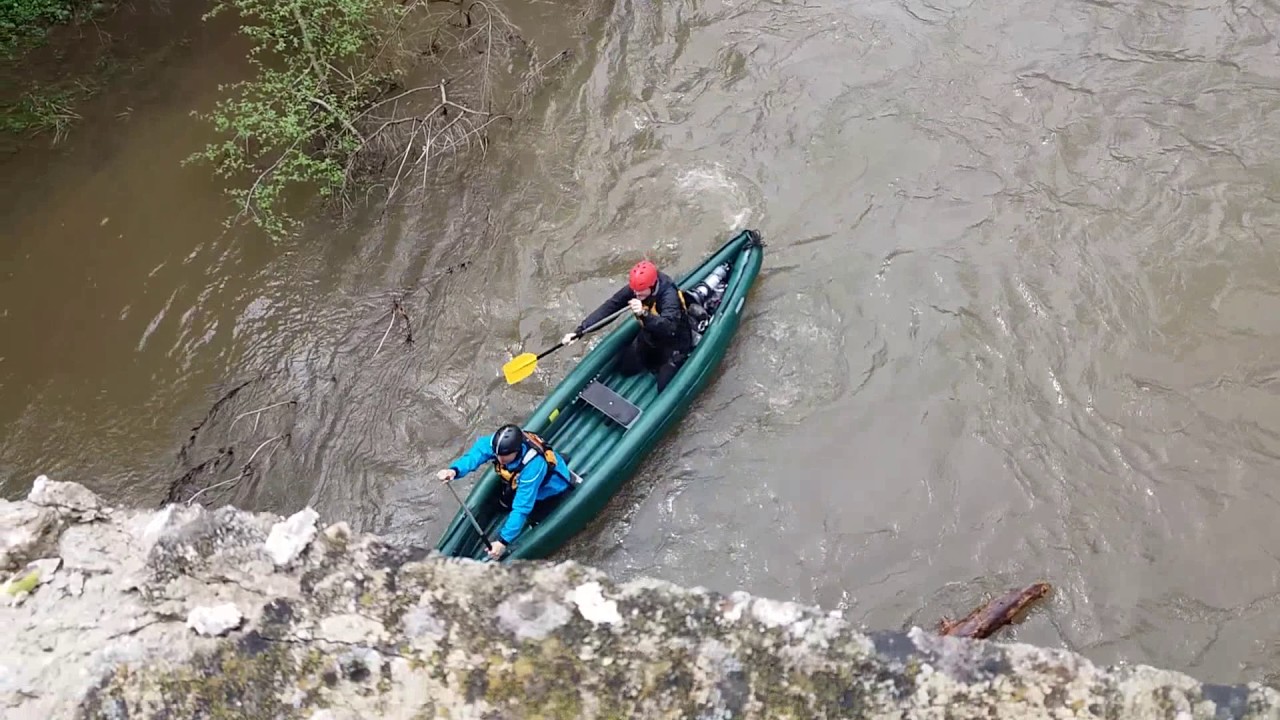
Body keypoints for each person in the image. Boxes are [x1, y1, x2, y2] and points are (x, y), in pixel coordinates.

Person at [436, 423, 575, 559]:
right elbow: (475, 455)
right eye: (497, 455)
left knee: (533, 515)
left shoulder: (533, 467)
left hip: (549, 490)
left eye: (504, 456)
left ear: (517, 450)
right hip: (519, 481)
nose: (500, 459)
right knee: (502, 501)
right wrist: (454, 471)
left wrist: (503, 542)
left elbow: (522, 507)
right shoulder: (498, 447)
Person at [561, 259, 697, 392]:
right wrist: (581, 330)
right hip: (650, 338)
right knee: (625, 369)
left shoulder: (668, 296)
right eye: (635, 291)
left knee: (663, 387)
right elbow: (610, 306)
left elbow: (668, 327)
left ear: (652, 286)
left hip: (674, 344)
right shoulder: (637, 289)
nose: (636, 295)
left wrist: (644, 313)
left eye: (640, 292)